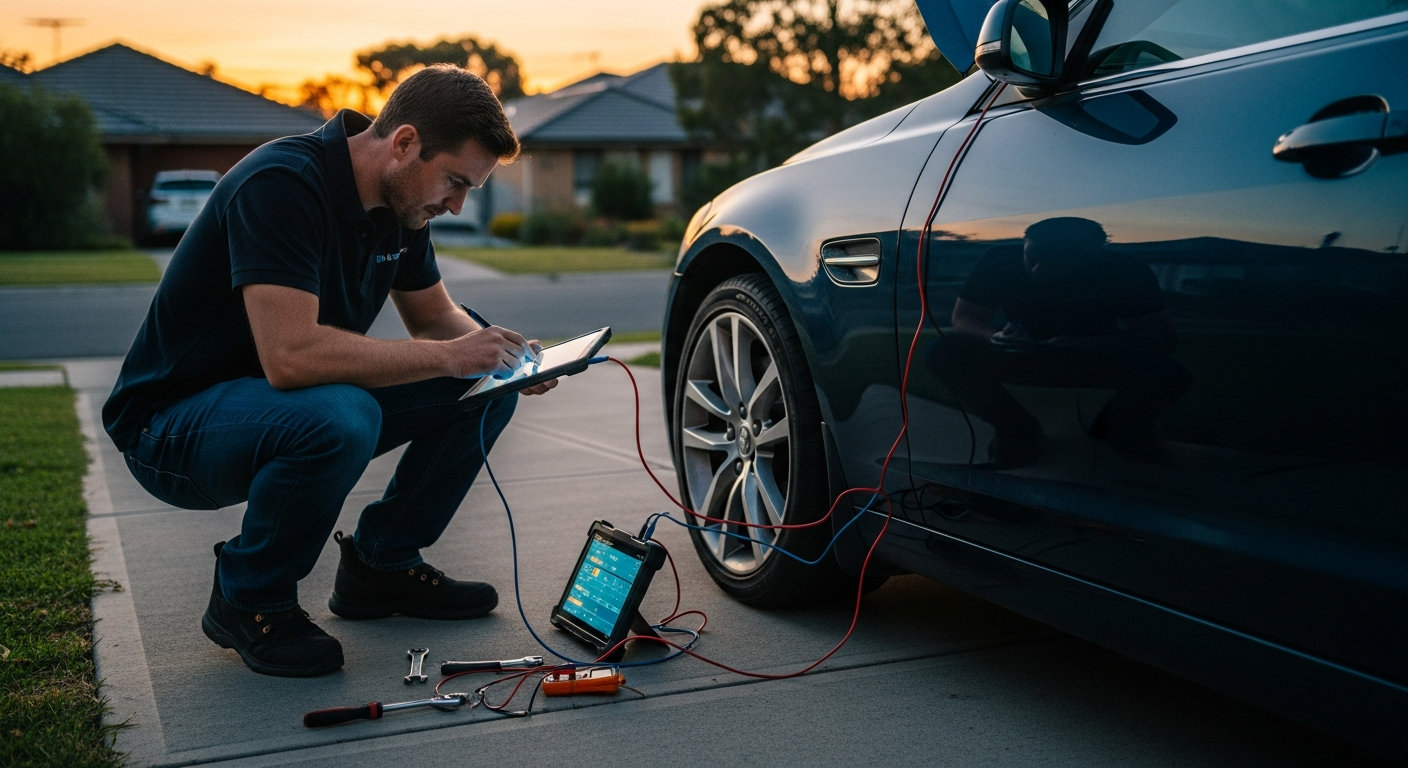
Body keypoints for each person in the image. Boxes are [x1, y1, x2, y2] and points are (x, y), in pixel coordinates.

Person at [102, 65, 555, 677]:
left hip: (273, 407)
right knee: (342, 415)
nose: (456, 204)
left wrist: (503, 355)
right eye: (454, 182)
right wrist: (453, 353)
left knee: (486, 387)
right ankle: (251, 596)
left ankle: (381, 567)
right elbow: (292, 359)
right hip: (171, 429)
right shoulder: (282, 184)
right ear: (404, 143)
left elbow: (433, 316)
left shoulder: (402, 206)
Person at [931, 217, 1192, 467]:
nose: (1038, 270)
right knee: (943, 353)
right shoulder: (998, 260)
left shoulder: (1125, 269)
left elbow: (1162, 338)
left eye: (1058, 265)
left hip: (1095, 357)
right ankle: (1016, 430)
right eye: (1032, 258)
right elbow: (964, 317)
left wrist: (1091, 344)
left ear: (1092, 256)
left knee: (1171, 375)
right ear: (1024, 243)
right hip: (1021, 351)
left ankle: (1119, 427)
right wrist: (995, 336)